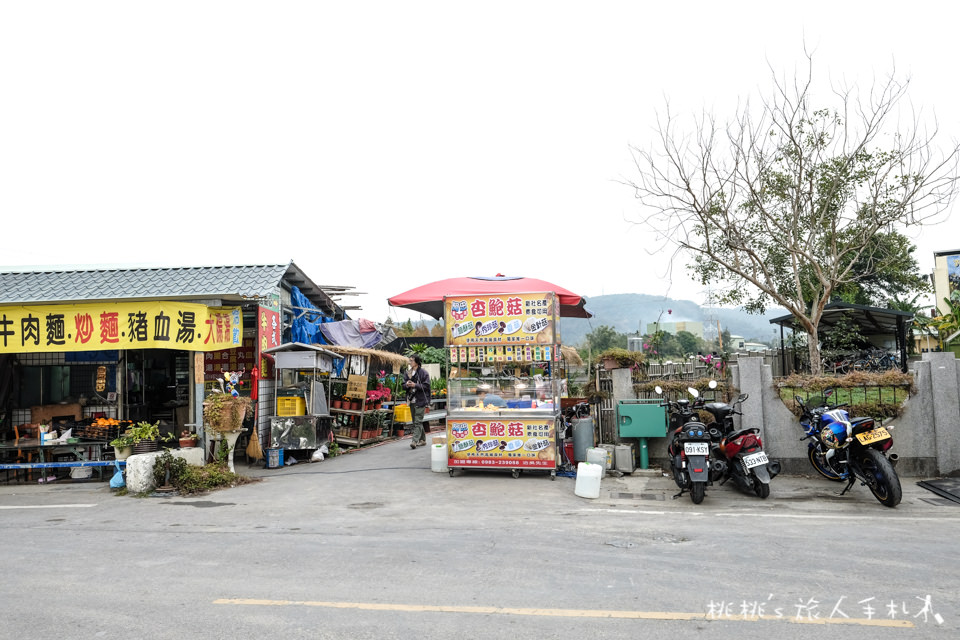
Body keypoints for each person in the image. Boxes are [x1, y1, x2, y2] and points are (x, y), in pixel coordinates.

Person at [403, 354, 430, 448]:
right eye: (409, 360)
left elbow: (426, 386)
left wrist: (415, 385)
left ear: (417, 362)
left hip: (420, 400)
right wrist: (407, 384)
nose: (410, 362)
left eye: (411, 360)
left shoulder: (423, 373)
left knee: (418, 421)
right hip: (411, 400)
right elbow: (403, 385)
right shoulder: (408, 373)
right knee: (416, 421)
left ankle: (414, 441)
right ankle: (422, 440)